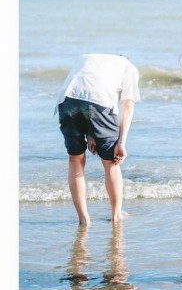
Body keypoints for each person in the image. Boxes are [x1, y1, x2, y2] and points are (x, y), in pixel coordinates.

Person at [55, 54, 141, 225]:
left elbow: (83, 94)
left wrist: (91, 134)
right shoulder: (128, 67)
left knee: (75, 159)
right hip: (99, 101)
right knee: (111, 162)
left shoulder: (86, 58)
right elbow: (127, 106)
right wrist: (121, 143)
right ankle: (116, 216)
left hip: (67, 99)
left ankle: (83, 219)